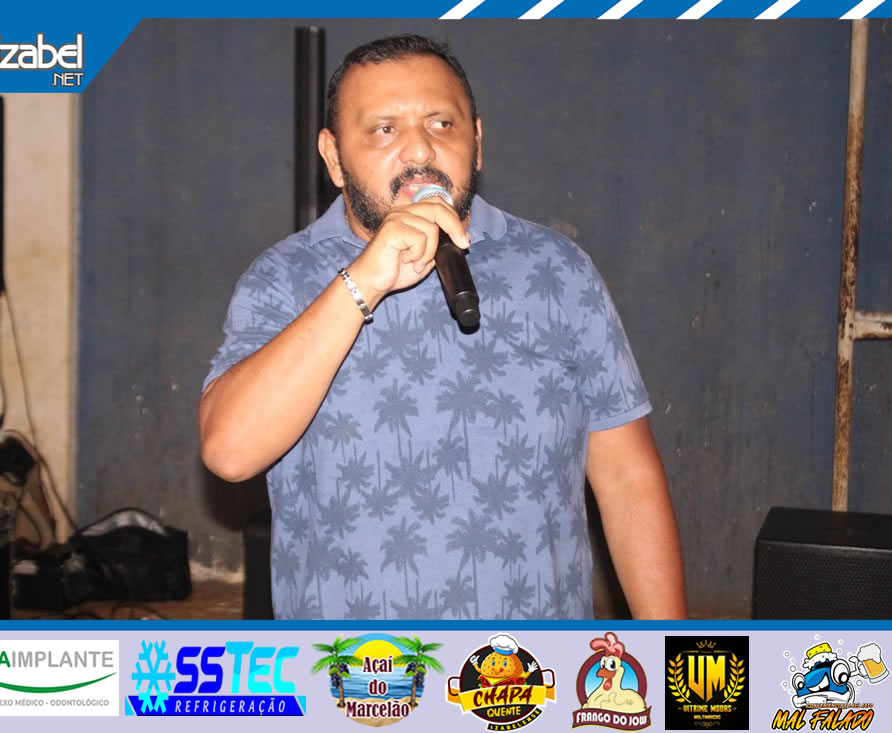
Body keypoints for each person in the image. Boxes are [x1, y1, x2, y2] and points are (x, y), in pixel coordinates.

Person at [200, 34, 686, 620]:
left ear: (476, 141)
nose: (419, 150)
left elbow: (628, 477)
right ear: (333, 157)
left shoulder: (557, 270)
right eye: (384, 129)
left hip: (531, 666)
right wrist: (363, 282)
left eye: (441, 124)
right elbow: (229, 452)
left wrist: (673, 651)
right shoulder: (282, 278)